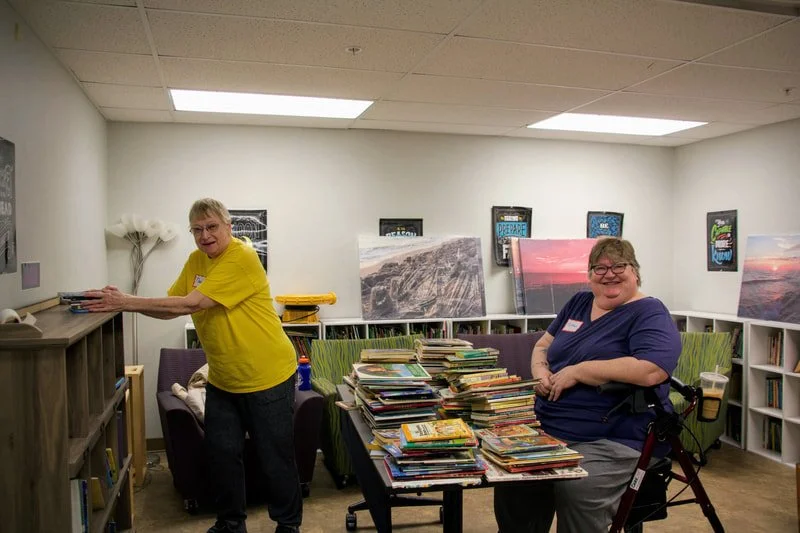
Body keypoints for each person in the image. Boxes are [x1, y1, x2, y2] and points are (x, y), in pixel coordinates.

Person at [83, 198, 302, 533]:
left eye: (212, 226)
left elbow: (190, 303)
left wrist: (126, 300)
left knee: (275, 460)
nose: (205, 235)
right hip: (224, 379)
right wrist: (125, 305)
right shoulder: (196, 260)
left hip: (268, 376)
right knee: (222, 455)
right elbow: (172, 305)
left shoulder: (242, 257)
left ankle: (287, 526)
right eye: (197, 229)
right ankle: (230, 524)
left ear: (229, 227)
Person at [494, 237, 681, 533]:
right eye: (600, 268)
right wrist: (541, 371)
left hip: (613, 436)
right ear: (590, 273)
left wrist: (581, 371)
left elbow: (651, 370)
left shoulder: (649, 313)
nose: (610, 274)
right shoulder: (579, 303)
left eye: (619, 266)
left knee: (578, 488)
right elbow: (543, 345)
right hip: (547, 425)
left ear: (635, 271)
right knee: (514, 481)